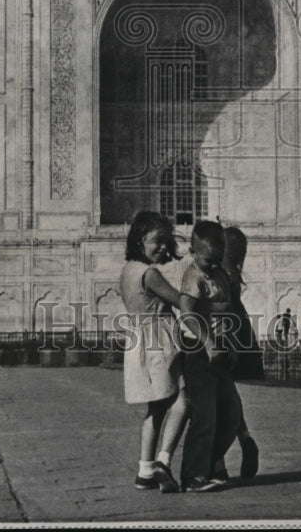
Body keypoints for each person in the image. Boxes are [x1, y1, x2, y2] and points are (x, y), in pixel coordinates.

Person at [119, 210, 187, 493]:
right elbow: (180, 301)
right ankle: (163, 460)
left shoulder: (128, 271)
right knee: (185, 399)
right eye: (157, 241)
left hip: (138, 342)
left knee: (156, 408)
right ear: (140, 240)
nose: (163, 247)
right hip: (159, 340)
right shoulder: (149, 274)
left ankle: (144, 470)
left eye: (166, 242)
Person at [178, 220, 243, 492]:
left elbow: (229, 313)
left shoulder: (219, 275)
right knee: (205, 412)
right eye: (208, 259)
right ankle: (192, 476)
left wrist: (232, 344)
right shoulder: (193, 276)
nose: (213, 264)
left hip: (219, 351)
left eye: (218, 259)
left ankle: (211, 463)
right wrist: (207, 342)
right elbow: (188, 314)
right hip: (197, 351)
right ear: (193, 251)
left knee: (231, 413)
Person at [211, 226, 261, 483]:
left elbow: (220, 307)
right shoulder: (234, 272)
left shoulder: (218, 273)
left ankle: (217, 463)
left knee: (218, 399)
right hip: (240, 332)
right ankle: (245, 438)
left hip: (224, 334)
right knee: (227, 393)